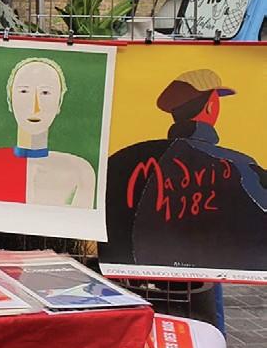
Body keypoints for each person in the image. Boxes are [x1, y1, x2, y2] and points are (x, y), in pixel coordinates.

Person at [101, 69, 266, 271]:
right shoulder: (240, 165)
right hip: (211, 269)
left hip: (128, 271)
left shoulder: (120, 160)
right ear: (211, 106)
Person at [0, 57, 96, 208]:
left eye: (45, 93)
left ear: (59, 103)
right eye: (24, 91)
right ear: (9, 100)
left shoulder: (80, 171)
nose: (35, 106)